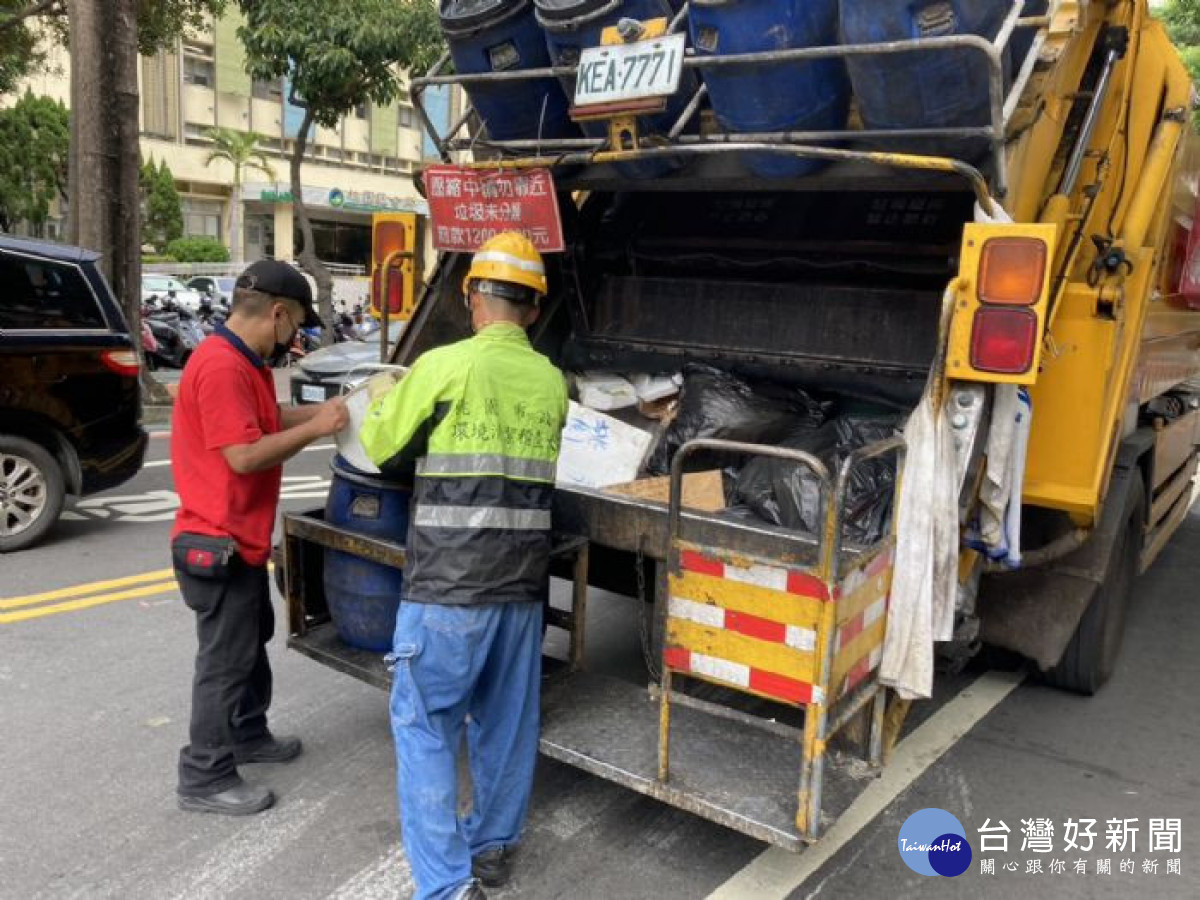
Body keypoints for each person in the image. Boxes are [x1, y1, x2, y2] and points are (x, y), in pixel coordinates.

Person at [361, 232, 569, 900]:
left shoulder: (444, 365)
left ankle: (449, 888)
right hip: (520, 586)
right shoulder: (551, 383)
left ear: (471, 294)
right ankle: (494, 848)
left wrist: (377, 401)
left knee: (424, 727)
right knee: (507, 724)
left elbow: (383, 444)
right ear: (534, 309)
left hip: (448, 588)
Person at [171, 260, 348, 816]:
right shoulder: (222, 366)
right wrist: (318, 430)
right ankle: (204, 776)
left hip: (238, 537)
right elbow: (244, 455)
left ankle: (249, 734)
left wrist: (320, 411)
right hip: (215, 541)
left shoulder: (239, 361)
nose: (296, 337)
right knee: (225, 662)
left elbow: (264, 416)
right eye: (296, 324)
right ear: (278, 314)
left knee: (250, 641)